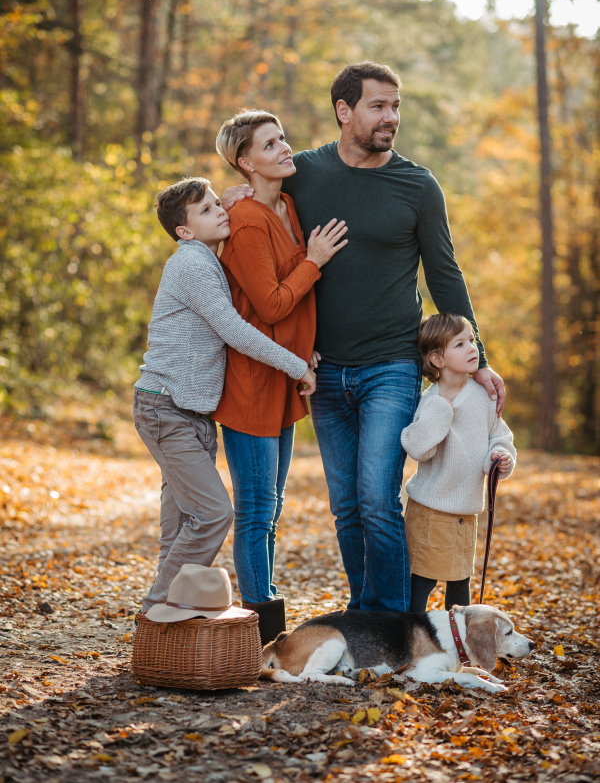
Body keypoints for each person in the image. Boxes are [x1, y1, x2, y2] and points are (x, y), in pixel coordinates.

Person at [222, 61, 506, 615]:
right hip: (323, 370)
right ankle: (364, 614)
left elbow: (445, 274)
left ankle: (398, 621)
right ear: (344, 111)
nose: (391, 117)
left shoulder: (417, 185)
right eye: (378, 106)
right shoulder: (303, 172)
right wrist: (236, 197)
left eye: (395, 106)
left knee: (378, 499)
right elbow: (258, 196)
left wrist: (478, 361)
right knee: (346, 506)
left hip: (391, 366)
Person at [133, 176, 316, 617]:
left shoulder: (209, 259)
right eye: (208, 209)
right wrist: (297, 365)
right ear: (185, 231)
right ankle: (157, 610)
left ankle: (160, 633)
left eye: (219, 203)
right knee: (214, 514)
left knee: (178, 524)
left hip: (191, 414)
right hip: (166, 408)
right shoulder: (193, 264)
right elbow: (234, 330)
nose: (221, 212)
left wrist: (233, 196)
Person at [214, 109, 348, 644]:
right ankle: (260, 632)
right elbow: (268, 306)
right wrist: (314, 259)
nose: (285, 148)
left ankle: (265, 624)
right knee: (255, 509)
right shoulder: (246, 221)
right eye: (270, 145)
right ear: (246, 162)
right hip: (251, 380)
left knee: (273, 505)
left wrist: (305, 351)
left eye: (283, 138)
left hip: (286, 375)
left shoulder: (287, 204)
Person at [401, 313, 516, 612]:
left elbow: (499, 436)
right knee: (421, 583)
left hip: (466, 511)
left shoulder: (484, 396)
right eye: (460, 344)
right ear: (438, 359)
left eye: (472, 340)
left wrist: (501, 457)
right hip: (430, 511)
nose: (472, 348)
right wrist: (442, 408)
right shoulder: (430, 400)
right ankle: (410, 642)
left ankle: (459, 648)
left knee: (460, 585)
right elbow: (417, 448)